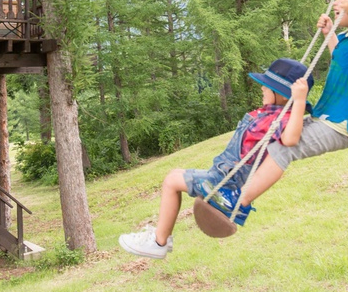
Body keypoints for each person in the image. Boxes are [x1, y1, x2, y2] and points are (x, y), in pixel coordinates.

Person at [226, 0, 348, 221]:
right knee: (275, 137)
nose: (337, 4)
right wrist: (329, 34)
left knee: (283, 149)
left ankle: (239, 203)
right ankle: (233, 189)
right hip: (325, 118)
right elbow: (343, 59)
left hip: (340, 125)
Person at [118, 58, 314, 260]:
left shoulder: (283, 117)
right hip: (221, 173)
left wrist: (299, 101)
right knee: (174, 175)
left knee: (171, 181)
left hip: (226, 182)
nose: (262, 89)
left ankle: (158, 242)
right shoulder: (269, 112)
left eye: (267, 86)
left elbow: (290, 139)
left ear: (282, 94)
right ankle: (161, 237)